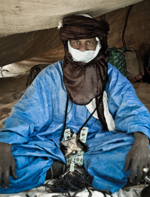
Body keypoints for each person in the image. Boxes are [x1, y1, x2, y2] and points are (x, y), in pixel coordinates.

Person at [0, 14, 150, 195]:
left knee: (140, 151)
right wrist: (6, 143)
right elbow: (26, 113)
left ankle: (88, 165)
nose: (83, 48)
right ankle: (57, 168)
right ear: (68, 44)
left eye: (89, 43)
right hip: (50, 144)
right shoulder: (50, 75)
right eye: (76, 43)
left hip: (98, 143)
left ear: (98, 43)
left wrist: (142, 138)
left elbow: (130, 106)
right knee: (8, 160)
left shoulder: (109, 74)